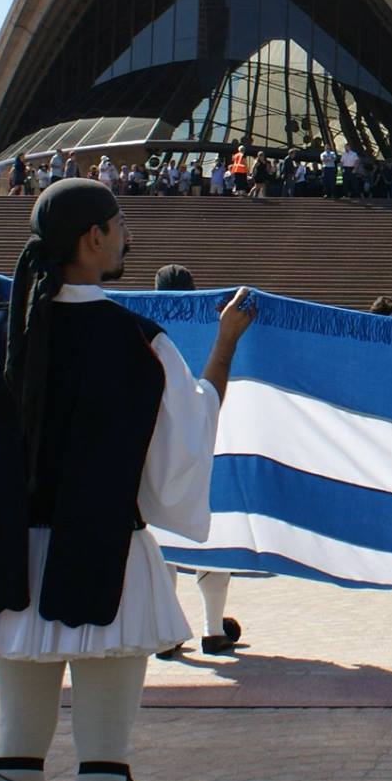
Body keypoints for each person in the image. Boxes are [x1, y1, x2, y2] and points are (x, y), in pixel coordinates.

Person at [0, 179, 253, 781]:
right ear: (92, 239)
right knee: (103, 760)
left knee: (15, 751)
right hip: (106, 560)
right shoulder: (139, 341)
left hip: (9, 565)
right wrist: (224, 346)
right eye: (118, 225)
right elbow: (183, 451)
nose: (125, 236)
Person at [149, 263, 244, 660]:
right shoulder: (215, 325)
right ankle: (212, 629)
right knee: (212, 541)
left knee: (162, 538)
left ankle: (167, 632)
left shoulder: (143, 330)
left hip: (157, 446)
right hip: (206, 438)